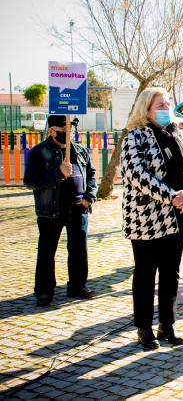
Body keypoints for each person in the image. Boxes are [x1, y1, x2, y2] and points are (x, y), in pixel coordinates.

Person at [120, 87, 183, 350]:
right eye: (160, 105)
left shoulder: (178, 134)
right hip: (146, 217)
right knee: (146, 272)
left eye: (168, 104)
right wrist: (172, 196)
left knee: (171, 272)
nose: (166, 108)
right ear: (146, 109)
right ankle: (143, 327)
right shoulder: (135, 136)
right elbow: (137, 175)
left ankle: (167, 324)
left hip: (177, 215)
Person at [24, 115, 98, 307]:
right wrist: (58, 173)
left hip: (78, 209)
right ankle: (44, 291)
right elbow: (30, 181)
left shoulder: (80, 151)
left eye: (70, 131)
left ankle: (77, 286)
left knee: (79, 250)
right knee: (47, 251)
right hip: (50, 211)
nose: (68, 134)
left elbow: (91, 174)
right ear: (51, 131)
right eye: (63, 130)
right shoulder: (39, 152)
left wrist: (89, 197)